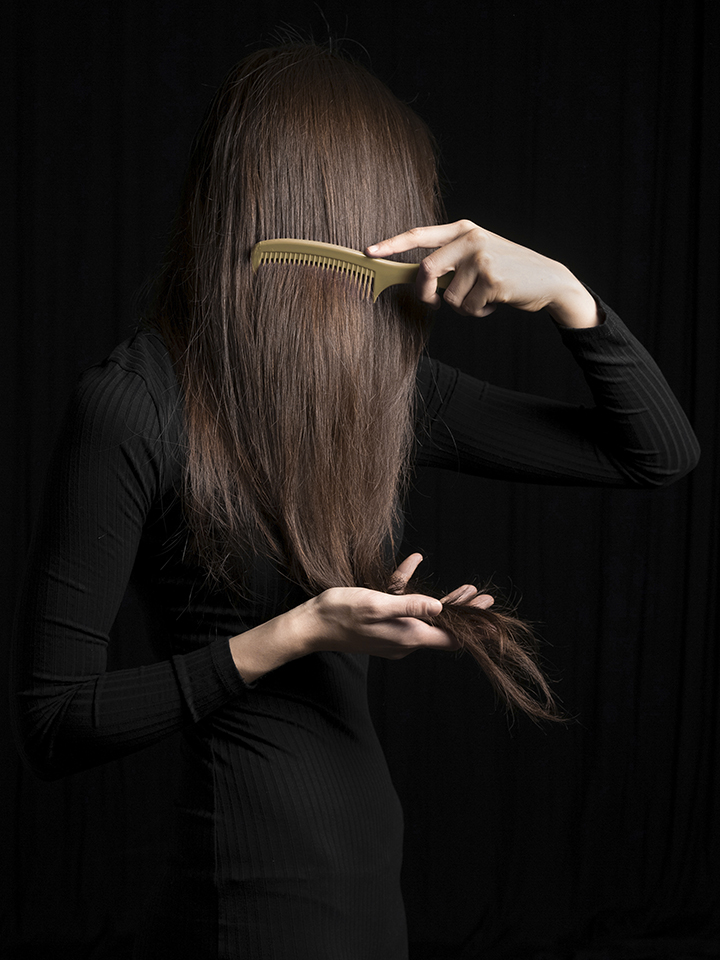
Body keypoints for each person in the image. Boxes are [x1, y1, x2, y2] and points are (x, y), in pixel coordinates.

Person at [11, 41, 699, 960]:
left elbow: (657, 454)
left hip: (366, 876)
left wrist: (569, 298)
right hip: (254, 899)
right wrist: (300, 631)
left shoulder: (380, 393)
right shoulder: (134, 405)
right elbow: (54, 721)